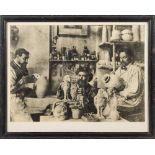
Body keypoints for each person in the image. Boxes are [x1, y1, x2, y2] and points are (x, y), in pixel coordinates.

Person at [10, 48, 36, 122]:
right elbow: (10, 89)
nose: (27, 61)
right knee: (26, 122)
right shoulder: (11, 69)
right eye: (25, 58)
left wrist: (32, 76)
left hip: (21, 97)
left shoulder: (20, 65)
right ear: (18, 56)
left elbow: (22, 79)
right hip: (14, 99)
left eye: (27, 58)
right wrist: (26, 86)